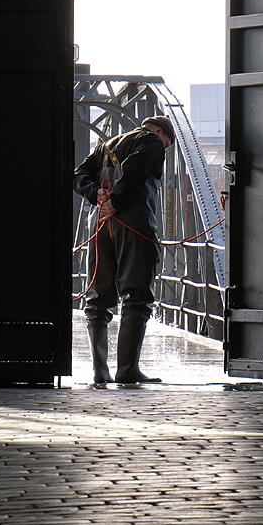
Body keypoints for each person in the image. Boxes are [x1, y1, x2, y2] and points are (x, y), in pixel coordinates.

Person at [73, 116, 176, 384]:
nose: (163, 150)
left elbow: (78, 175)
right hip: (133, 223)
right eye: (166, 145)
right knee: (136, 295)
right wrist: (116, 202)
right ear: (158, 130)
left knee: (98, 298)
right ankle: (127, 370)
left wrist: (97, 194)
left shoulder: (104, 146)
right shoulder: (150, 140)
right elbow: (138, 167)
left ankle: (100, 372)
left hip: (99, 224)